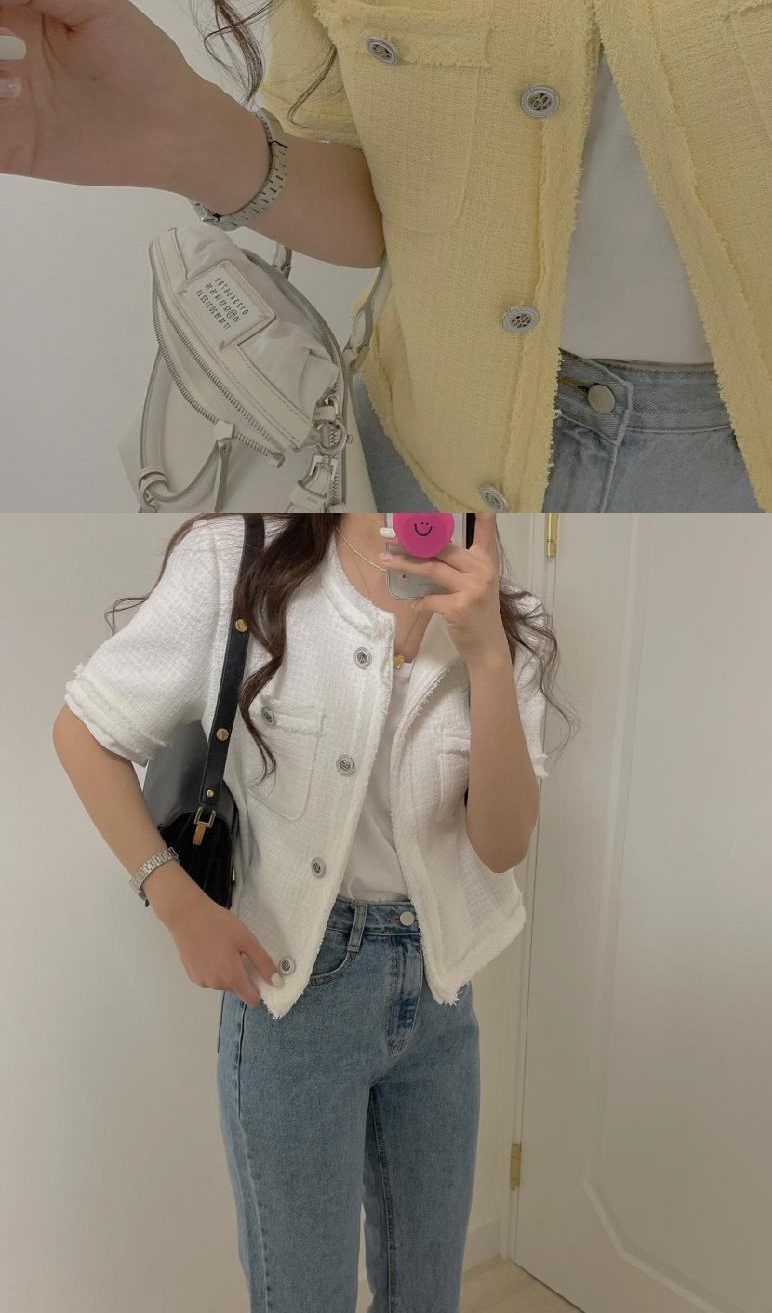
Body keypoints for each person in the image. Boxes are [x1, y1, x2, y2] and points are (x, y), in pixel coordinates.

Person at [53, 506, 561, 1313]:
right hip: (293, 997)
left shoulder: (504, 610)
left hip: (441, 995)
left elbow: (501, 846)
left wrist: (486, 654)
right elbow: (86, 732)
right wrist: (176, 903)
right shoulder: (241, 560)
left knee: (427, 1296)